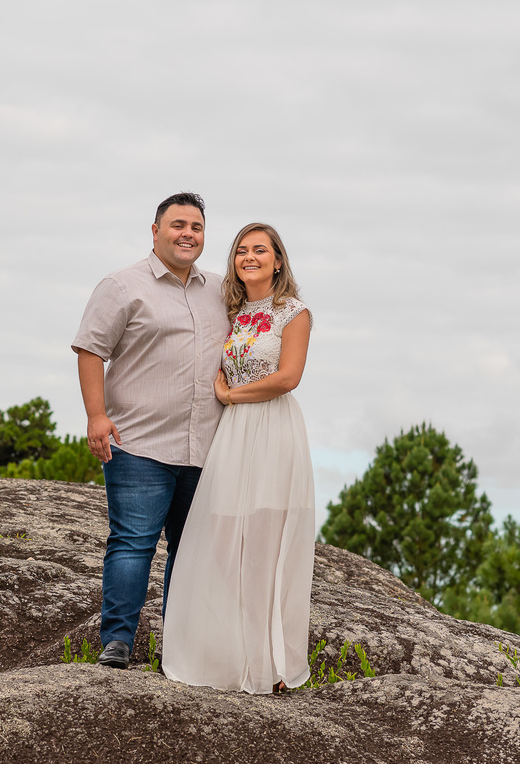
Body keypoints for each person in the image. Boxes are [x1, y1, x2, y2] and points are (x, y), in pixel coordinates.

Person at [71, 192, 231, 669]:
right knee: (132, 543)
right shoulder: (122, 286)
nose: (188, 233)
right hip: (138, 442)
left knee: (193, 551)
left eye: (196, 227)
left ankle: (179, 651)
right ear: (156, 230)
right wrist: (96, 416)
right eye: (178, 224)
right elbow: (90, 350)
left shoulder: (222, 291)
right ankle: (117, 642)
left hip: (207, 446)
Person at [161, 222, 314, 694]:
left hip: (272, 431)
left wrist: (233, 395)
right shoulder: (234, 312)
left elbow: (288, 378)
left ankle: (272, 665)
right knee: (226, 540)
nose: (250, 257)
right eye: (242, 251)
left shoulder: (295, 312)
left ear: (278, 260)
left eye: (260, 251)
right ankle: (228, 655)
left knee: (267, 544)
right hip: (231, 437)